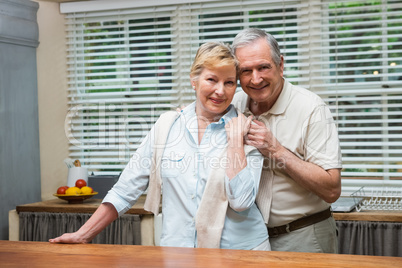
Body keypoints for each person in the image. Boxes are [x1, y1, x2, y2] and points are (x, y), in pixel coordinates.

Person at [50, 42, 270, 251]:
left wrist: (234, 143)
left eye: (229, 82)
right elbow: (125, 189)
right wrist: (83, 234)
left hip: (241, 252)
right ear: (194, 80)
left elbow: (241, 202)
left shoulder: (248, 130)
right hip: (180, 252)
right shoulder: (167, 126)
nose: (220, 91)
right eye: (212, 80)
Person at [231, 28, 342, 253]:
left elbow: (332, 189)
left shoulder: (312, 109)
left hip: (304, 236)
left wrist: (275, 149)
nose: (256, 79)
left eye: (263, 67)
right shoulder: (232, 105)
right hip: (249, 240)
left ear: (280, 65)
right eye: (246, 71)